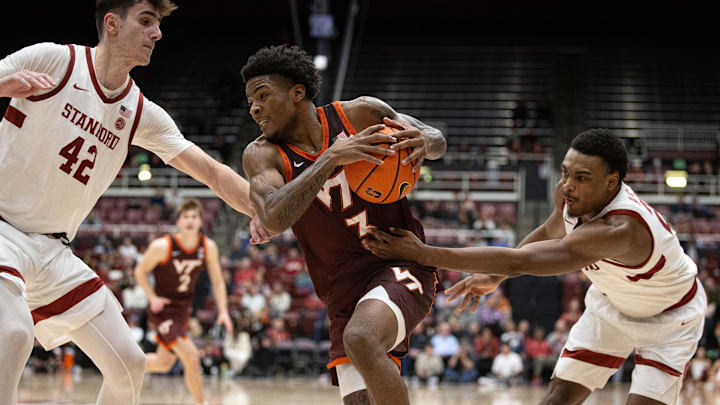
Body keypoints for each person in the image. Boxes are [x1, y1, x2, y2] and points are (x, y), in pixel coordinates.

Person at [0, 2, 268, 403]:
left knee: (129, 364)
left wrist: (265, 210)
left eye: (158, 24)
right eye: (146, 21)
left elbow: (212, 172)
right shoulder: (54, 60)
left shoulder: (141, 112)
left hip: (53, 250)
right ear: (111, 23)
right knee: (14, 333)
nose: (156, 33)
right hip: (2, 228)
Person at [364, 129, 705, 405]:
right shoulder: (571, 194)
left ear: (612, 182)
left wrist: (424, 253)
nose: (568, 185)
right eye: (565, 173)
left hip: (670, 321)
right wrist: (494, 276)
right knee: (557, 398)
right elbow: (548, 231)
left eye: (582, 178)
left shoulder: (620, 229)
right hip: (612, 305)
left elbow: (522, 261)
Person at [241, 45, 446, 405]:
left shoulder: (361, 114)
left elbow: (436, 140)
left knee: (362, 338)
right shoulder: (262, 155)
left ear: (297, 93)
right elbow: (273, 215)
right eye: (250, 101)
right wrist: (332, 158)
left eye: (262, 96)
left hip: (399, 261)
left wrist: (424, 140)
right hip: (341, 291)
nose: (254, 108)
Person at [134, 199, 231, 405]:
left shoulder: (208, 247)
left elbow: (217, 281)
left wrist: (223, 311)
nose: (190, 220)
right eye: (186, 217)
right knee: (191, 356)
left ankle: (122, 365)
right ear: (178, 221)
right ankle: (201, 403)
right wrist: (152, 297)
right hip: (164, 310)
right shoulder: (162, 246)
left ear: (200, 221)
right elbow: (140, 271)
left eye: (194, 217)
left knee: (163, 363)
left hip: (183, 310)